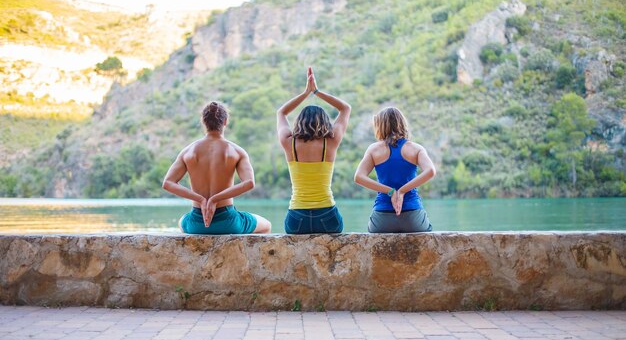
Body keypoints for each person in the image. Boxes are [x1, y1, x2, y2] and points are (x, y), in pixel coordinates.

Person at [162, 101, 271, 234]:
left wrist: (200, 200)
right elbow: (249, 183)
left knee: (182, 221)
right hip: (228, 222)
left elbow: (167, 183)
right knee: (266, 225)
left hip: (197, 223)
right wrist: (216, 199)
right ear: (225, 121)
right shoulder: (236, 151)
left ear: (203, 122)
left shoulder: (188, 151)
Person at [276, 67, 351, 234]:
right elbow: (345, 108)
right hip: (327, 216)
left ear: (299, 121)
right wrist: (316, 91)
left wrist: (305, 92)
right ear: (325, 122)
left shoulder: (289, 143)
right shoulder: (330, 142)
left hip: (297, 218)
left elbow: (281, 112)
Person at [354, 107, 436, 233]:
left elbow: (359, 177)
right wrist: (402, 191)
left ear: (380, 126)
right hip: (413, 219)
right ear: (402, 124)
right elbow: (430, 171)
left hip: (382, 219)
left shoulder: (374, 149)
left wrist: (390, 191)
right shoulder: (416, 148)